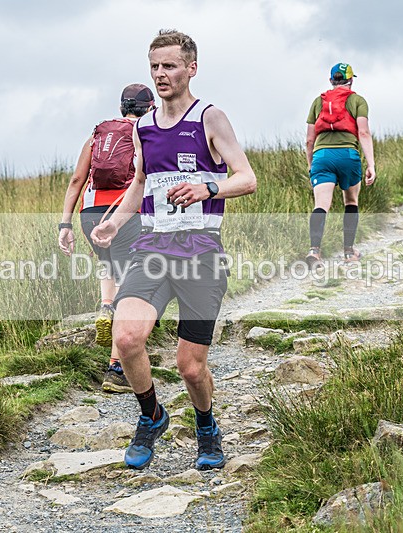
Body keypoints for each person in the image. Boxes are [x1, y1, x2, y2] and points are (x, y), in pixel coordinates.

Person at [91, 29, 256, 471]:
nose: (161, 75)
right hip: (152, 250)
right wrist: (114, 223)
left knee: (190, 367)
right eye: (154, 67)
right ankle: (152, 417)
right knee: (125, 339)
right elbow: (140, 184)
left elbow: (246, 178)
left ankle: (206, 426)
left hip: (201, 254)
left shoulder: (210, 118)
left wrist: (208, 185)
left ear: (191, 69)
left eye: (169, 66)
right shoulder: (143, 126)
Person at [58, 83, 156, 394]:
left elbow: (76, 180)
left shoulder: (97, 136)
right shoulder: (145, 134)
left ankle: (104, 305)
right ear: (150, 108)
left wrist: (65, 224)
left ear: (121, 108)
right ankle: (116, 368)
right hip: (125, 213)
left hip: (89, 214)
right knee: (130, 286)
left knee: (109, 265)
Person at [305, 62, 376, 266]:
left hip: (321, 156)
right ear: (351, 80)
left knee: (321, 205)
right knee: (351, 202)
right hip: (348, 155)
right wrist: (371, 164)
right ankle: (348, 252)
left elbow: (309, 139)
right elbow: (363, 132)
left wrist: (311, 164)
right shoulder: (358, 101)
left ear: (331, 81)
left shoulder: (318, 102)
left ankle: (314, 251)